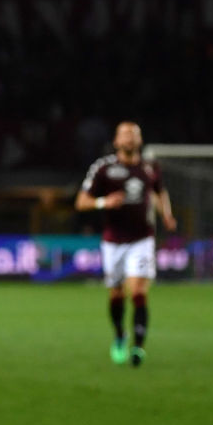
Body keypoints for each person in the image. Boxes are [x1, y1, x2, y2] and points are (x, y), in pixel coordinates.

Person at [75, 121, 177, 366]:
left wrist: (166, 214)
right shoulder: (104, 168)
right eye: (125, 135)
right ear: (116, 141)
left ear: (140, 141)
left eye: (134, 135)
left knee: (139, 291)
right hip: (113, 241)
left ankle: (138, 348)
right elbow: (81, 202)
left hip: (142, 238)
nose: (129, 139)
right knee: (116, 294)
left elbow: (160, 191)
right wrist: (104, 203)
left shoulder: (151, 167)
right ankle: (120, 334)